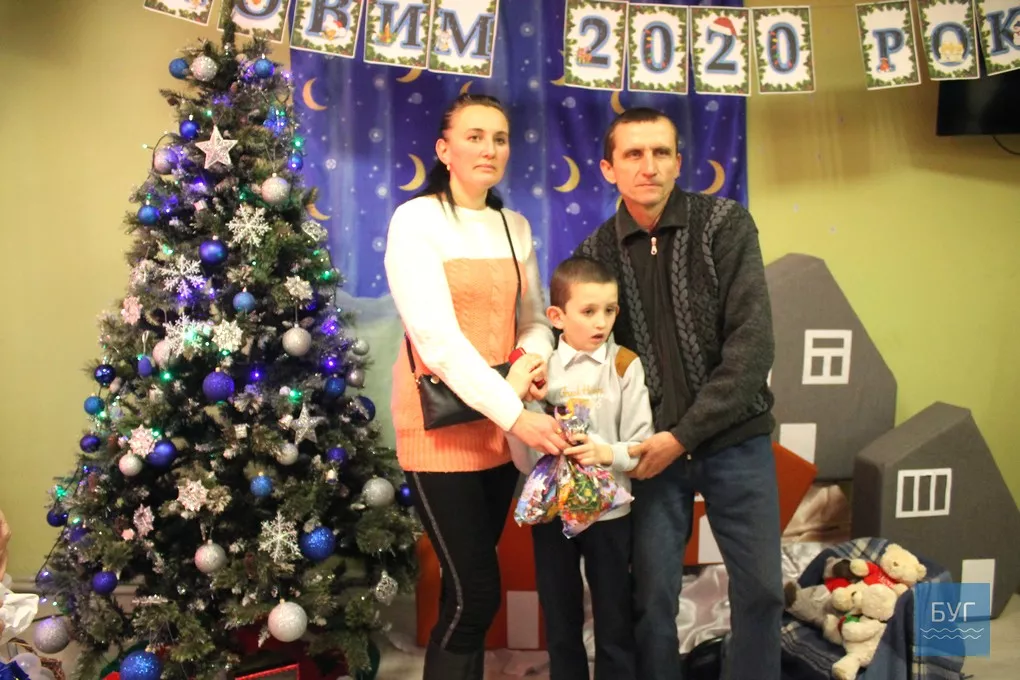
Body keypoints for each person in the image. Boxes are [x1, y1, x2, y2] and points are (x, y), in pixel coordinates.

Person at [574, 107, 784, 680]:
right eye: (633, 154)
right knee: (652, 600)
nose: (649, 166)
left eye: (660, 153)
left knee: (763, 591)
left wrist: (683, 436)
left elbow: (753, 348)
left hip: (735, 441)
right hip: (650, 456)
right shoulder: (596, 253)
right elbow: (593, 357)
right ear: (608, 168)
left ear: (678, 162)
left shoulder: (724, 224)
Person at [383, 93, 569, 680]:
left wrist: (527, 364)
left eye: (500, 138)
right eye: (474, 136)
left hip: (498, 430)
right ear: (445, 150)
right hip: (440, 427)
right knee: (476, 594)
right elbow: (436, 341)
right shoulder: (416, 220)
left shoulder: (515, 227)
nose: (489, 148)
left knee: (464, 591)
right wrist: (514, 410)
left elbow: (535, 321)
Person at [509, 255, 654, 680]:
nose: (601, 322)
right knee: (559, 616)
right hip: (552, 513)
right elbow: (521, 443)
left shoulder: (625, 365)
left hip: (610, 515)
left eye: (609, 310)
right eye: (588, 311)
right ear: (556, 317)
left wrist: (604, 453)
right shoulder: (539, 370)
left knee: (614, 615)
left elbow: (641, 444)